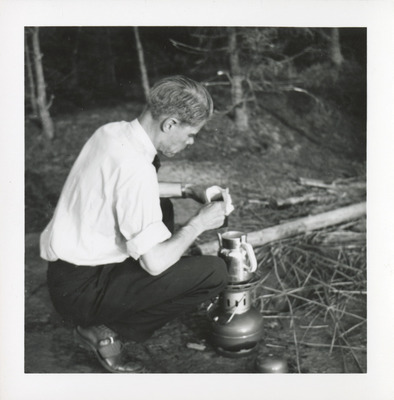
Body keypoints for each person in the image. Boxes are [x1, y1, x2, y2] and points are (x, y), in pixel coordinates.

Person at [40, 75, 232, 373]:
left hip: (66, 274)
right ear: (170, 124)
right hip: (82, 294)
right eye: (191, 133)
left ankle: (109, 310)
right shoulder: (136, 170)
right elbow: (154, 264)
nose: (191, 141)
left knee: (163, 206)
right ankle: (105, 330)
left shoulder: (112, 133)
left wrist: (187, 189)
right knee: (215, 272)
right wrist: (198, 224)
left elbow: (125, 185)